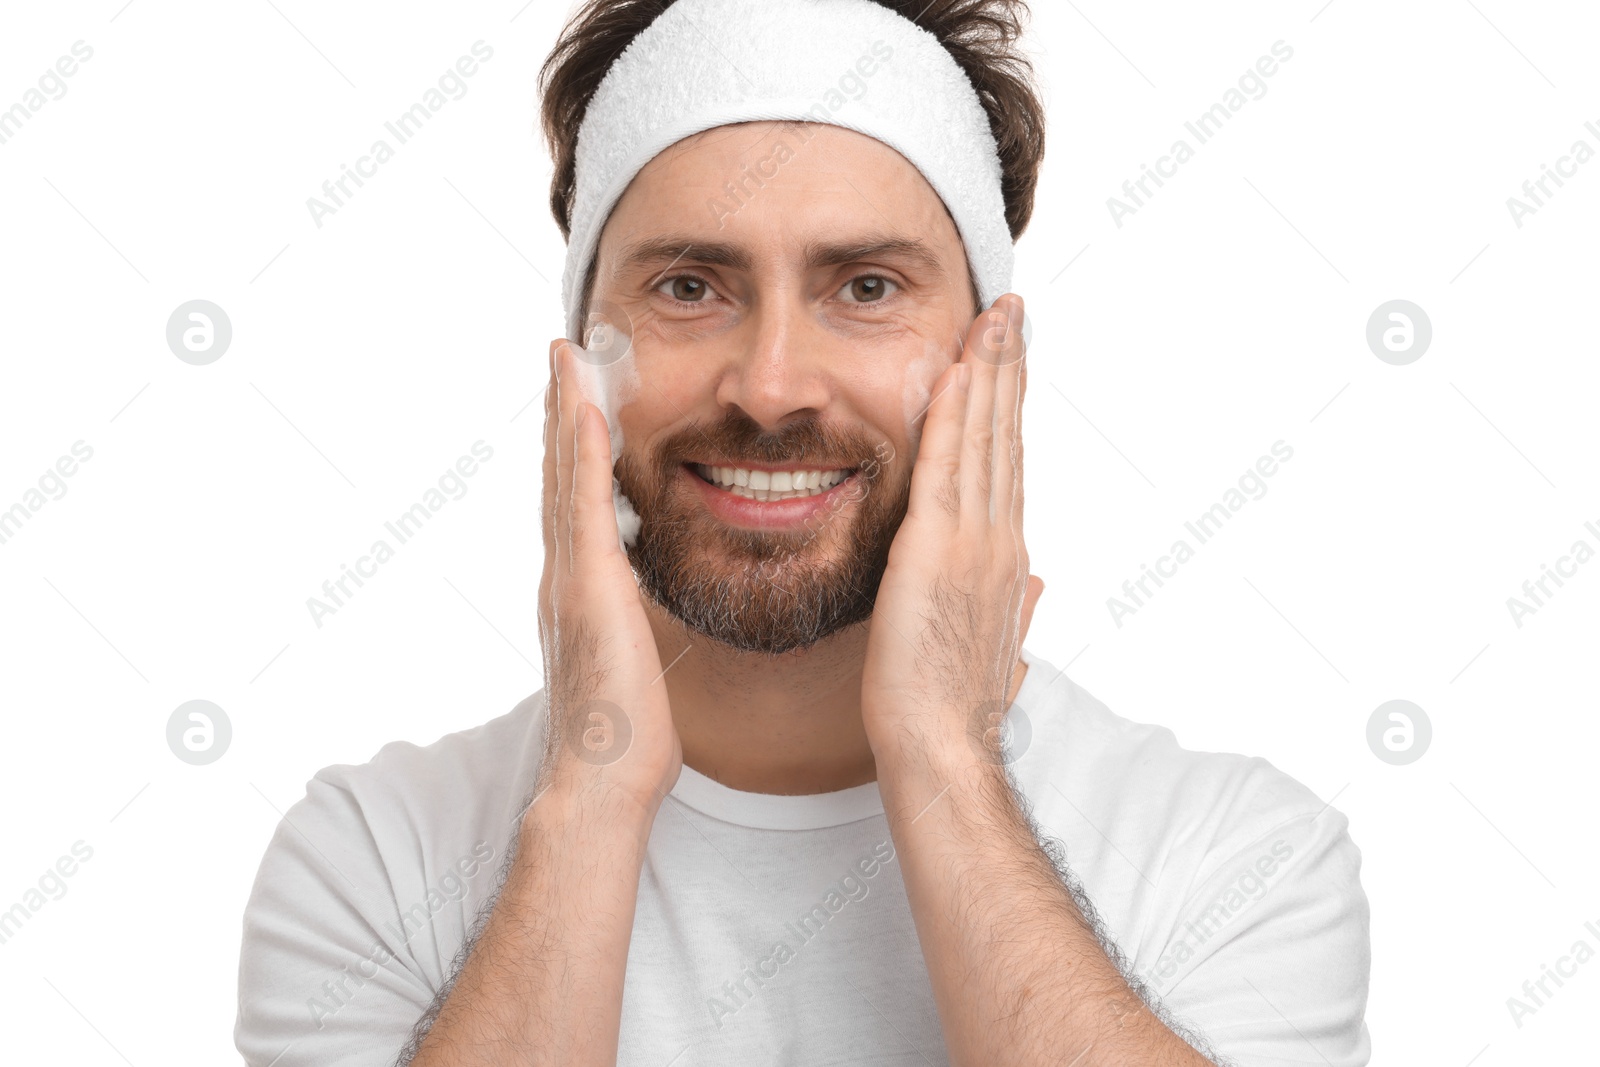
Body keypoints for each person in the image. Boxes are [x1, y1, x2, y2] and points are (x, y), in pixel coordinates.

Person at [235, 1, 1371, 1064]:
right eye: (688, 287)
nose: (772, 386)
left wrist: (944, 761)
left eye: (867, 288)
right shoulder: (372, 860)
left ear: (990, 359)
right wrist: (589, 792)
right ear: (583, 354)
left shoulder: (1233, 859)